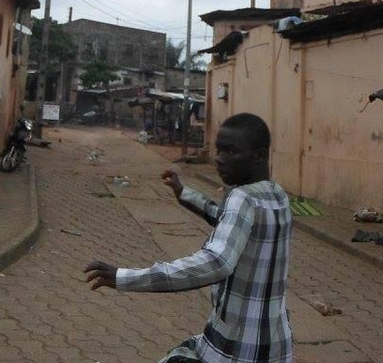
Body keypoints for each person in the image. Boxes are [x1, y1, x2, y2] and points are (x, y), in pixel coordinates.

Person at [85, 113, 292, 363]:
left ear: (259, 155)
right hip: (275, 345)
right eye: (219, 150)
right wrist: (184, 193)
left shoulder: (242, 198)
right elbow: (226, 219)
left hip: (238, 347)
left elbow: (216, 263)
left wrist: (124, 277)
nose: (218, 159)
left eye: (231, 152)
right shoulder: (276, 195)